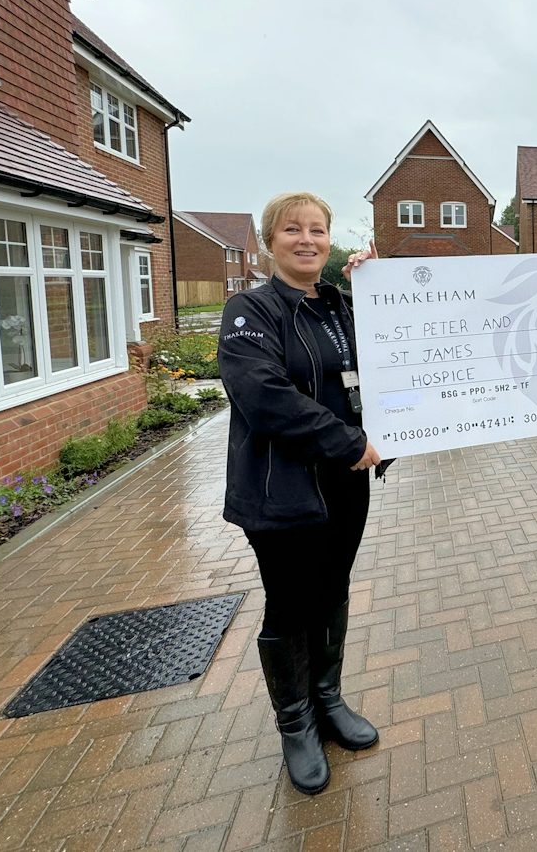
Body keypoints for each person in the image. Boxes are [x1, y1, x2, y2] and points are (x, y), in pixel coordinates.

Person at [217, 192, 381, 795]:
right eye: (293, 230)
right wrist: (345, 441)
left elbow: (399, 356)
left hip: (345, 484)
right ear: (270, 241)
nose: (307, 240)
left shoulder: (343, 305)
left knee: (332, 587)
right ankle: (297, 723)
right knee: (291, 601)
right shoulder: (250, 310)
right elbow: (263, 396)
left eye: (317, 230)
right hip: (280, 491)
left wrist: (382, 289)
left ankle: (329, 697)